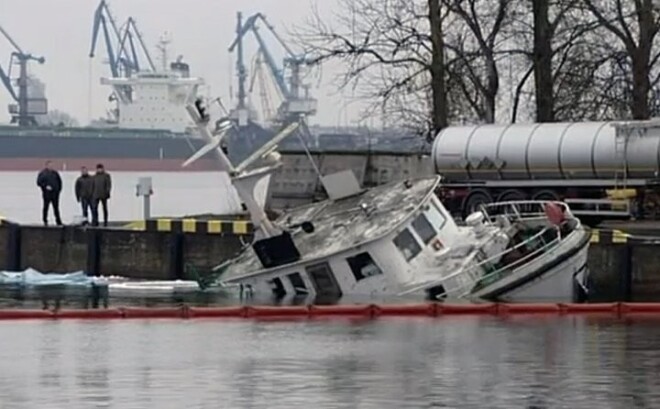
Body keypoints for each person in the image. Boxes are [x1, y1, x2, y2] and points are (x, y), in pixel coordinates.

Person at [36, 160, 63, 226]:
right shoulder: (42, 173)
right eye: (49, 165)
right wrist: (45, 187)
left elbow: (60, 182)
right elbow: (38, 182)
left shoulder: (55, 173)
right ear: (46, 165)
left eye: (52, 165)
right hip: (47, 194)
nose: (51, 166)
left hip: (55, 194)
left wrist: (58, 191)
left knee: (56, 208)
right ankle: (45, 220)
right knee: (46, 207)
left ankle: (58, 221)